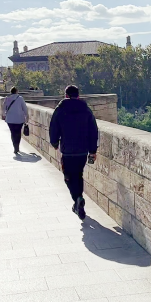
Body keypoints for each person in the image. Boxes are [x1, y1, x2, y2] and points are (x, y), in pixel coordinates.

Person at [49, 85, 98, 220]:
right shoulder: (86, 110)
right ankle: (79, 199)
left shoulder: (60, 109)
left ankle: (77, 198)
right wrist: (93, 150)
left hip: (67, 150)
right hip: (82, 150)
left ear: (66, 95)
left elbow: (54, 127)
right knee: (79, 174)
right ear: (78, 95)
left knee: (68, 177)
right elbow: (93, 131)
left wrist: (54, 142)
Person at [3, 87, 29, 154]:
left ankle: (15, 146)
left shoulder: (7, 98)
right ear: (17, 91)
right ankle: (17, 146)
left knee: (13, 133)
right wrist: (27, 116)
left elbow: (4, 108)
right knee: (18, 133)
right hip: (19, 119)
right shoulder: (20, 98)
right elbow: (25, 108)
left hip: (10, 119)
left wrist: (4, 115)